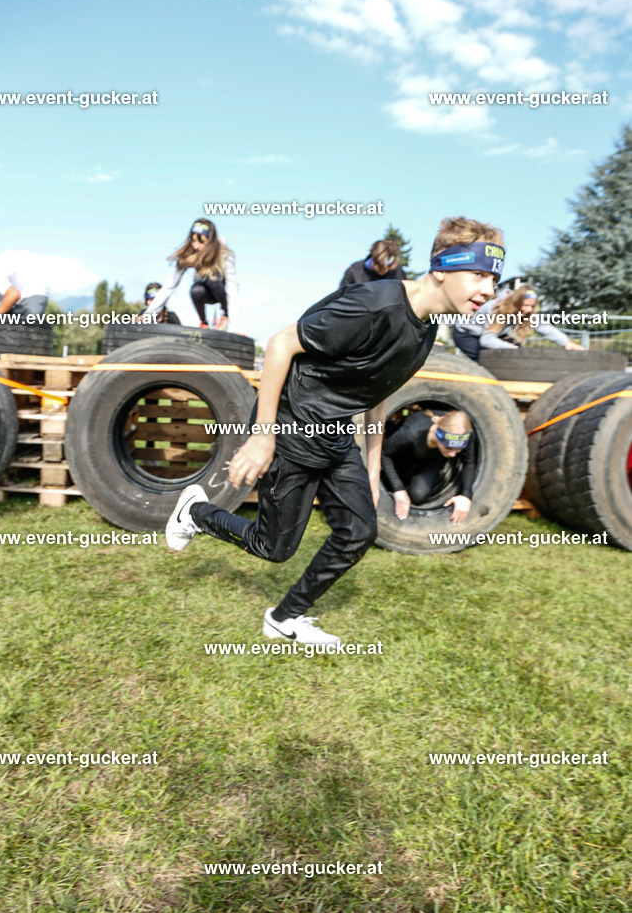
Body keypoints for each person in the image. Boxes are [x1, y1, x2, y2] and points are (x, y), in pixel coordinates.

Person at [164, 216, 504, 648]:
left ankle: (284, 618)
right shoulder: (373, 304)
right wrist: (263, 436)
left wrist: (372, 464)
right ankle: (194, 512)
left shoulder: (425, 333)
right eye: (479, 275)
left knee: (361, 531)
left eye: (494, 279)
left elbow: (377, 390)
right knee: (274, 548)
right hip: (291, 424)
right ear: (441, 268)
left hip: (336, 431)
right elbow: (281, 344)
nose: (489, 291)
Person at [380, 409, 475, 524]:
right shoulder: (412, 432)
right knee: (388, 482)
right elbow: (384, 453)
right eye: (448, 448)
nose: (453, 454)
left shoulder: (465, 435)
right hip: (404, 453)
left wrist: (466, 495)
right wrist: (398, 489)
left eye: (458, 450)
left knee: (419, 495)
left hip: (434, 457)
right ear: (437, 434)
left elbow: (469, 462)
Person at [142, 219, 238, 330]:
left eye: (201, 242)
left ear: (210, 242)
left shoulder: (225, 254)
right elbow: (169, 286)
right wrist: (147, 315)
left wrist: (234, 326)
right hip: (204, 293)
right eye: (193, 241)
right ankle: (203, 322)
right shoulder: (191, 254)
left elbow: (232, 289)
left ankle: (226, 313)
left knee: (213, 280)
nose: (196, 246)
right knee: (196, 289)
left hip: (221, 291)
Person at [453, 285, 584, 360]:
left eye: (532, 306)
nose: (528, 309)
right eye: (525, 305)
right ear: (516, 303)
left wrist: (567, 342)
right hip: (467, 334)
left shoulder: (525, 312)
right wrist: (510, 348)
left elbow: (544, 327)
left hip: (490, 334)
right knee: (485, 361)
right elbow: (487, 341)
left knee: (518, 351)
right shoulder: (497, 309)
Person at [339, 238, 406, 287]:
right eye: (381, 265)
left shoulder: (397, 273)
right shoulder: (354, 271)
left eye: (389, 265)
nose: (385, 270)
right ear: (373, 258)